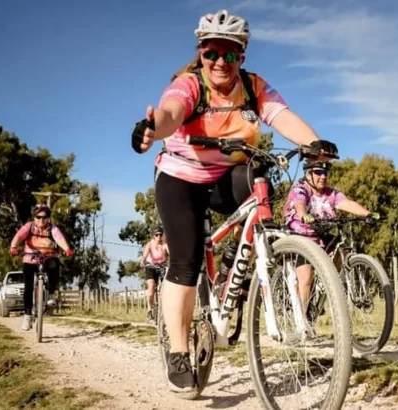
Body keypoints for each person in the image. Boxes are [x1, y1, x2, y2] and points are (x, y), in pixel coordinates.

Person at [129, 9, 338, 396]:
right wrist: (151, 130)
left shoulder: (253, 86)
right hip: (180, 177)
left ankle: (233, 267)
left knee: (260, 182)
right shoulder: (190, 85)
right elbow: (170, 114)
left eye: (230, 54)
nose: (220, 62)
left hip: (227, 175)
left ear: (242, 55)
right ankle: (178, 352)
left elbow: (282, 116)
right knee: (186, 261)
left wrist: (314, 145)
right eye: (212, 53)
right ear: (201, 53)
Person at [283, 160, 380, 315]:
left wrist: (367, 214)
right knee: (306, 277)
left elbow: (346, 203)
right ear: (308, 174)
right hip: (301, 235)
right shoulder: (301, 189)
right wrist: (303, 215)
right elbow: (299, 204)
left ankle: (325, 285)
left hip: (321, 233)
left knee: (344, 252)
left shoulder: (331, 193)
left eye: (325, 173)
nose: (322, 176)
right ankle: (301, 319)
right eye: (318, 172)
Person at [9, 203, 74, 331]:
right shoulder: (29, 227)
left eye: (44, 217)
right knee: (28, 286)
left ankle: (50, 294)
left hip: (48, 256)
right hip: (30, 257)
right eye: (38, 217)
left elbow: (59, 238)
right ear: (34, 217)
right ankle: (27, 315)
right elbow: (19, 236)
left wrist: (66, 249)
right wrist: (13, 247)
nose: (41, 220)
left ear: (48, 218)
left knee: (54, 264)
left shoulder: (52, 228)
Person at [140, 227, 169, 322]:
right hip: (151, 267)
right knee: (151, 287)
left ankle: (164, 309)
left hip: (162, 267)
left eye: (161, 234)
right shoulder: (150, 244)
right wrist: (143, 261)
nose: (159, 237)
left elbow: (170, 253)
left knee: (165, 288)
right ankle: (149, 310)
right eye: (157, 235)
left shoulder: (165, 244)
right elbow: (145, 255)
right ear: (153, 236)